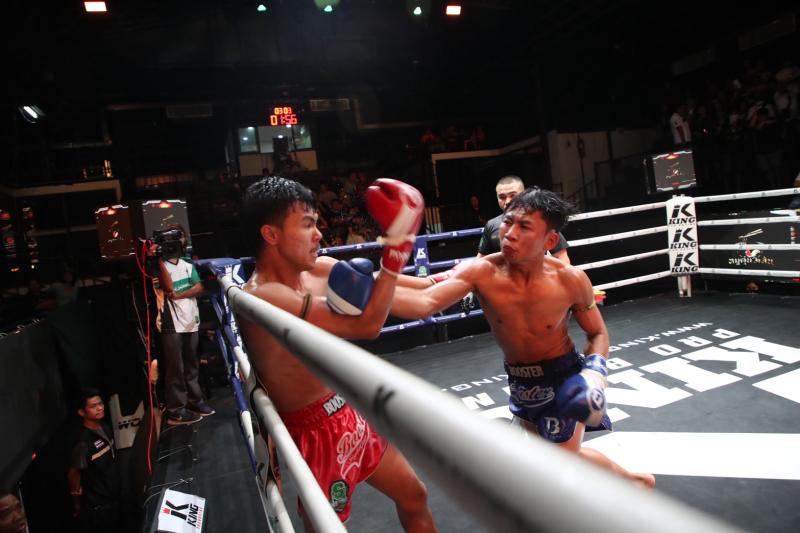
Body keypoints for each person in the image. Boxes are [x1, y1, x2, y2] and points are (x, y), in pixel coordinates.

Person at [391, 188, 654, 488]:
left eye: (524, 227)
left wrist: (594, 376)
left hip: (563, 378)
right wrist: (376, 279)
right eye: (507, 222)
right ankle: (634, 480)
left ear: (549, 241)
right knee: (552, 457)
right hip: (520, 380)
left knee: (557, 467)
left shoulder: (571, 279)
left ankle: (619, 488)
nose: (509, 234)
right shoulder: (482, 271)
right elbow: (425, 299)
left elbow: (597, 333)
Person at [238, 176, 437, 531]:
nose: (319, 234)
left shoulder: (314, 271)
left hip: (345, 409)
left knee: (414, 495)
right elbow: (367, 326)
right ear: (271, 234)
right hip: (314, 432)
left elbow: (412, 292)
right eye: (307, 224)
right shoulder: (262, 295)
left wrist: (470, 273)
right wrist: (396, 250)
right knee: (326, 527)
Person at [153, 226, 215, 425]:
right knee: (175, 367)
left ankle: (195, 401)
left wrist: (179, 295)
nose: (173, 246)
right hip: (170, 320)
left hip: (190, 318)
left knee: (192, 363)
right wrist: (157, 257)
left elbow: (200, 287)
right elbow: (168, 288)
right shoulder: (158, 266)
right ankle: (176, 410)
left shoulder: (188, 263)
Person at [479, 175, 570, 263]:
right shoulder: (491, 225)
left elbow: (562, 260)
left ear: (523, 195)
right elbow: (480, 260)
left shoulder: (540, 220)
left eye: (513, 195)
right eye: (502, 197)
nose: (507, 201)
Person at [67, 389, 122, 532]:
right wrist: (77, 503)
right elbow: (73, 474)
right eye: (93, 406)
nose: (100, 408)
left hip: (116, 497)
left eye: (100, 404)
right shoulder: (82, 443)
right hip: (100, 506)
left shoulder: (106, 427)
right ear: (82, 412)